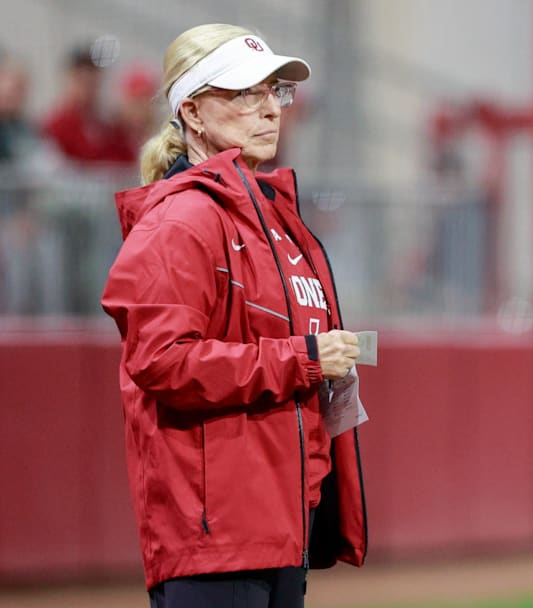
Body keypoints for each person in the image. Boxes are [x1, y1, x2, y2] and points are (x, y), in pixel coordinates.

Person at [100, 24, 368, 608]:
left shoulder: (274, 221)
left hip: (281, 528)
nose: (270, 108)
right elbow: (162, 360)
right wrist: (304, 359)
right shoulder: (182, 220)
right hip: (214, 537)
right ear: (193, 112)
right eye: (246, 93)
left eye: (275, 92)